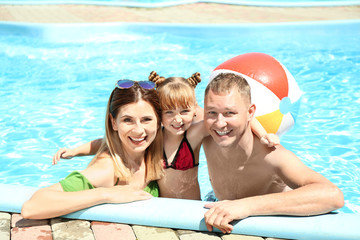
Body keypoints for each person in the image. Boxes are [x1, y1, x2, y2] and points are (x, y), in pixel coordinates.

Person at [52, 71, 280, 200]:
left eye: (184, 112)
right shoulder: (155, 136)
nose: (177, 119)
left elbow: (235, 117)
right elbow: (107, 142)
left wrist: (264, 135)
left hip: (192, 208)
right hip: (161, 207)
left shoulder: (194, 133)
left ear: (193, 110)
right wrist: (76, 151)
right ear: (159, 113)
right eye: (168, 112)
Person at [202, 73, 344, 233]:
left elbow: (332, 195)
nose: (220, 123)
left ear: (250, 112)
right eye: (212, 112)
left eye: (230, 113)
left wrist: (246, 205)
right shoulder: (205, 135)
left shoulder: (272, 155)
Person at [21, 80, 164, 219]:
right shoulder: (106, 171)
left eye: (146, 120)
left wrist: (76, 151)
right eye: (127, 120)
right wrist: (105, 194)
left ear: (159, 122)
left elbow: (103, 142)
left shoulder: (154, 151)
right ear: (113, 122)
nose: (138, 130)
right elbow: (31, 207)